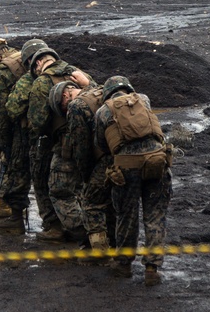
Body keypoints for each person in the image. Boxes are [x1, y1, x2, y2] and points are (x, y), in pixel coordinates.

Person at [94, 76, 173, 287]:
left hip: (127, 168)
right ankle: (152, 269)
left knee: (126, 216)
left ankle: (123, 265)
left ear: (107, 94)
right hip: (157, 161)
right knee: (155, 216)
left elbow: (101, 145)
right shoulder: (144, 99)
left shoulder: (102, 112)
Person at [28, 42, 93, 242]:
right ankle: (92, 227)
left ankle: (66, 230)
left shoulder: (41, 82)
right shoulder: (78, 74)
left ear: (39, 63)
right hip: (89, 141)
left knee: (55, 188)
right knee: (80, 187)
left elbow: (37, 122)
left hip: (61, 143)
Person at [53, 79, 113, 256]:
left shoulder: (77, 107)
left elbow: (82, 148)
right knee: (115, 204)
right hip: (128, 154)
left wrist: (85, 175)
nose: (65, 111)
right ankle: (120, 251)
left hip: (106, 160)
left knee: (91, 203)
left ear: (65, 95)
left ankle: (99, 253)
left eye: (62, 107)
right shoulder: (98, 90)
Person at [0, 38, 27, 227]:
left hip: (19, 129)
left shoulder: (0, 74)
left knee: (15, 172)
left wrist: (4, 143)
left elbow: (1, 115)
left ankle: (11, 212)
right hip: (44, 126)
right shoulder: (24, 57)